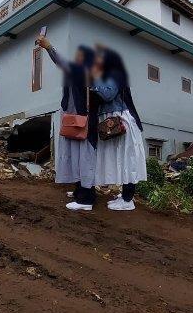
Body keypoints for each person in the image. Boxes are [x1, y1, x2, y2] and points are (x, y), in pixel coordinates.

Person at [37, 36, 97, 211]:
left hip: (84, 122)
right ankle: (81, 191)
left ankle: (86, 200)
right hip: (76, 120)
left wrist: (49, 47)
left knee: (85, 159)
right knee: (78, 159)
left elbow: (62, 63)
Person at [89, 47, 147, 211]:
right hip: (113, 119)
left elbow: (108, 94)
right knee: (120, 159)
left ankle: (128, 200)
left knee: (127, 159)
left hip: (122, 121)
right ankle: (125, 196)